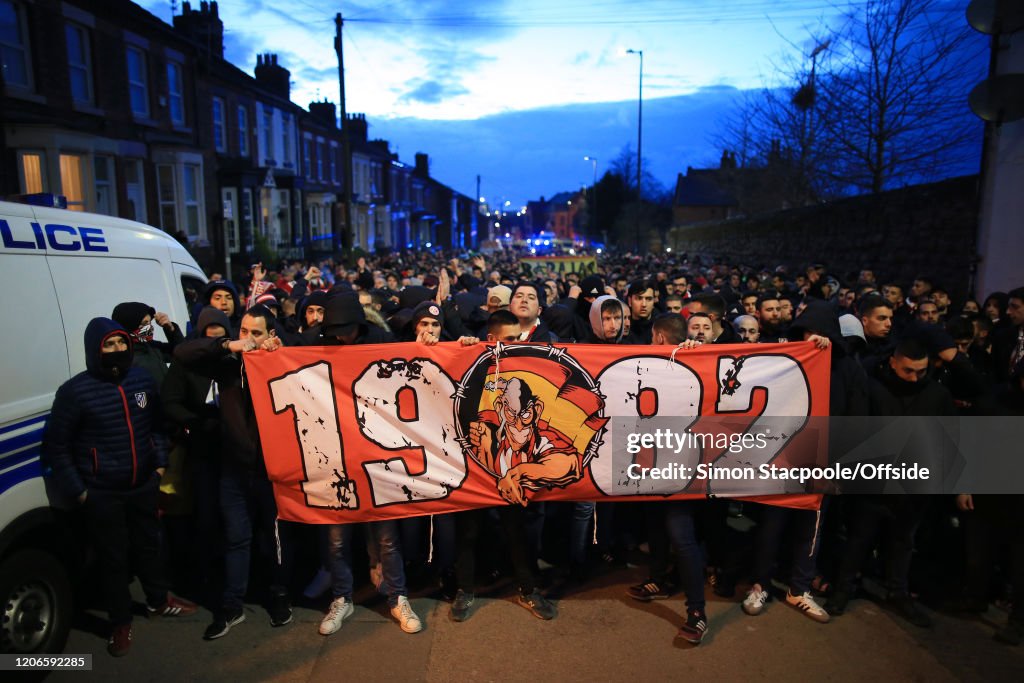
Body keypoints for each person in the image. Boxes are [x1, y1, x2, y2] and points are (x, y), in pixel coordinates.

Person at [44, 317, 196, 657]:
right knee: (113, 561)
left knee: (149, 547)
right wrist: (80, 491)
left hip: (142, 483)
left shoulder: (140, 379)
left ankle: (158, 601)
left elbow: (156, 426)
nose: (117, 350)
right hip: (101, 492)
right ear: (95, 350)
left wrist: (157, 465)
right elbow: (58, 446)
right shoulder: (75, 392)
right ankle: (120, 621)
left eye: (121, 343)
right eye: (109, 345)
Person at [174, 305, 293, 640]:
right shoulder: (226, 365)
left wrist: (282, 352)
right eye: (243, 331)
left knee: (274, 539)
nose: (249, 339)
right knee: (235, 537)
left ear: (271, 335)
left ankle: (279, 596)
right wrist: (228, 345)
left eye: (256, 333)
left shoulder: (281, 361)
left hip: (272, 472)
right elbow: (183, 353)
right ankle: (231, 605)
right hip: (233, 470)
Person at [314, 293, 423, 636]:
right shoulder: (316, 344)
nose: (342, 337)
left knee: (387, 536)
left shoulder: (381, 342)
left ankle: (397, 596)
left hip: (377, 454)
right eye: (337, 330)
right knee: (337, 537)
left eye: (347, 330)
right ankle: (341, 598)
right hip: (335, 455)